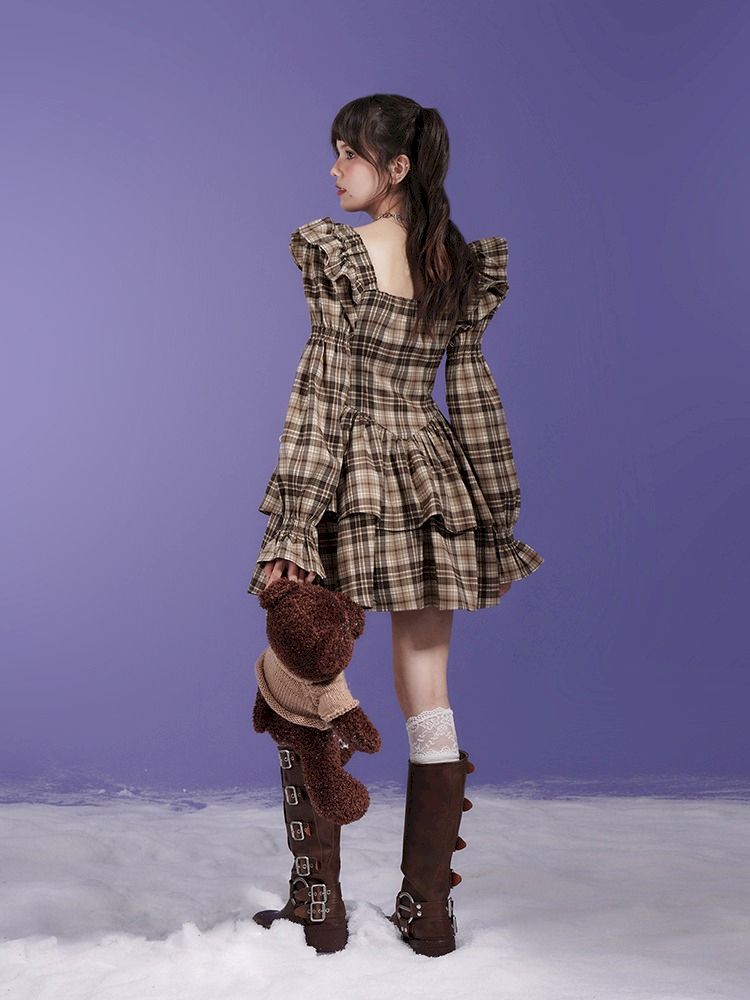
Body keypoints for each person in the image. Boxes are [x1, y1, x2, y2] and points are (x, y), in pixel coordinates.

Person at [247, 94, 544, 956]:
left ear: (397, 167)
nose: (335, 168)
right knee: (428, 684)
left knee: (302, 670)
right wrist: (494, 514)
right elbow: (474, 397)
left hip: (353, 475)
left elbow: (322, 398)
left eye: (348, 153)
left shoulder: (344, 256)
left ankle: (321, 908)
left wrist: (292, 526)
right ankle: (427, 914)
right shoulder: (452, 262)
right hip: (433, 477)